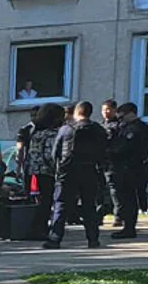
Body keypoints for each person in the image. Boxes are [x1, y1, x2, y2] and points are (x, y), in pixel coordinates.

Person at [43, 101, 108, 249]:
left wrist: (57, 170)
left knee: (60, 205)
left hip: (68, 172)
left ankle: (54, 239)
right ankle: (93, 239)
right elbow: (104, 151)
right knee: (89, 206)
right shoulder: (98, 129)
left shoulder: (66, 129)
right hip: (90, 171)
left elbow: (55, 153)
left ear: (75, 112)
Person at [106, 102, 148, 239]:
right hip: (130, 167)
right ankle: (128, 226)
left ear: (131, 113)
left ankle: (129, 228)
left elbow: (122, 148)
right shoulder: (135, 127)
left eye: (122, 117)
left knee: (128, 198)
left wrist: (108, 151)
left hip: (129, 168)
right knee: (127, 198)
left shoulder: (134, 129)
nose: (120, 120)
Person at [27, 103, 65, 240]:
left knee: (43, 200)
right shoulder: (51, 134)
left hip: (36, 169)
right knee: (47, 201)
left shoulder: (35, 132)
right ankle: (39, 229)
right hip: (47, 171)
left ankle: (38, 227)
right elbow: (50, 155)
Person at [100, 99, 123, 225]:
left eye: (108, 109)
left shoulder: (119, 126)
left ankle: (118, 215)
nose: (106, 112)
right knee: (100, 190)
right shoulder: (101, 125)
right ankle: (99, 215)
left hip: (113, 162)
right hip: (101, 161)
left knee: (115, 190)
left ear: (114, 110)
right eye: (103, 110)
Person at [16, 106, 39, 195]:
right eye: (32, 115)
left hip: (44, 166)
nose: (34, 118)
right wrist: (18, 167)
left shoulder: (47, 128)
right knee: (29, 189)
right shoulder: (25, 129)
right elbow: (20, 149)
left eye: (36, 115)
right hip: (30, 164)